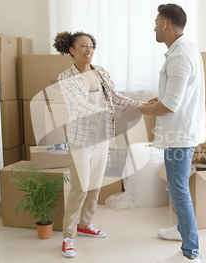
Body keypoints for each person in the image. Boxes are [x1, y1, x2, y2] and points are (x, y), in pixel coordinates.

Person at [53, 31, 147, 258]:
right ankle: (68, 237)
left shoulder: (101, 72)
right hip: (81, 140)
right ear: (71, 49)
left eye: (91, 46)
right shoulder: (66, 77)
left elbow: (117, 97)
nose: (89, 50)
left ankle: (85, 224)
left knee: (95, 184)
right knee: (80, 187)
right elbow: (79, 107)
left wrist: (144, 104)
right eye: (83, 46)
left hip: (102, 137)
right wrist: (112, 114)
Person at [130, 4, 206, 263]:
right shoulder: (184, 49)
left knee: (178, 189)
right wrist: (158, 99)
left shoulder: (180, 56)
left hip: (180, 134)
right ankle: (180, 231)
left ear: (164, 24)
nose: (153, 27)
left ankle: (190, 252)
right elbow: (176, 96)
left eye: (155, 22)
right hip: (181, 131)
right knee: (176, 188)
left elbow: (171, 106)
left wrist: (140, 110)